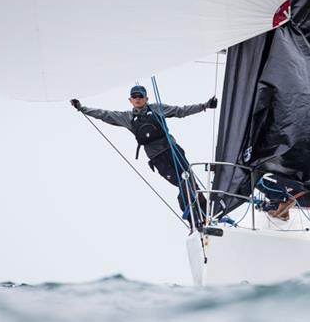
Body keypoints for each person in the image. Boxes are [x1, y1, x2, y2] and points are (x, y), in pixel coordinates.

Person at [70, 85, 217, 225]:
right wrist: (82, 108)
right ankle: (193, 220)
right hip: (158, 159)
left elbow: (181, 111)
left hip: (173, 150)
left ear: (146, 98)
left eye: (140, 96)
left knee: (190, 182)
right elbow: (104, 114)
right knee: (182, 183)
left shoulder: (157, 109)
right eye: (134, 97)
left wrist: (205, 105)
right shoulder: (127, 117)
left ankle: (206, 215)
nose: (138, 99)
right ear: (130, 100)